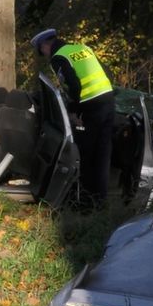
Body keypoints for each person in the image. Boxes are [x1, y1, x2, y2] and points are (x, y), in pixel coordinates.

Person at [31, 28, 115, 205]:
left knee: (86, 154)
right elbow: (107, 73)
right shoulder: (82, 48)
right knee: (103, 153)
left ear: (46, 45)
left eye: (42, 52)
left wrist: (74, 112)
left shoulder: (58, 58)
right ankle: (101, 200)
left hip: (92, 107)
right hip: (108, 101)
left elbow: (74, 87)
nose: (45, 56)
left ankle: (84, 201)